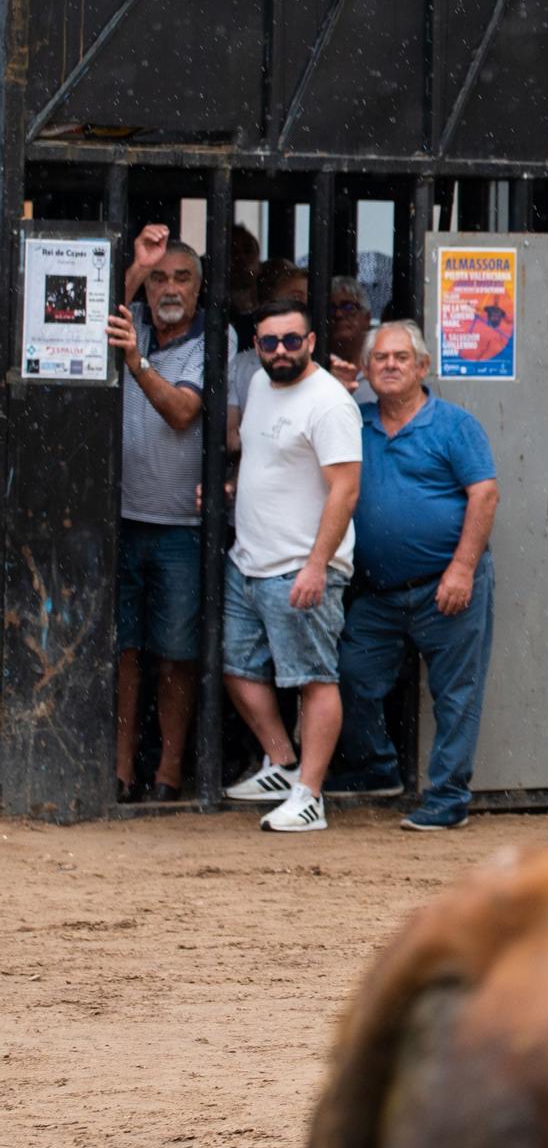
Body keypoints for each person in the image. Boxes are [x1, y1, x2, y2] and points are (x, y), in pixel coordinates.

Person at [330, 321, 499, 832]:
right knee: (351, 675)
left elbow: (484, 495)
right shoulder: (352, 422)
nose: (390, 365)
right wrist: (330, 395)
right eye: (379, 358)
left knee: (456, 695)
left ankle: (447, 800)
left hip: (446, 584)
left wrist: (462, 570)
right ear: (365, 370)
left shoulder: (454, 425)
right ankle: (377, 768)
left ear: (423, 367)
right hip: (379, 592)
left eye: (401, 357)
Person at [104, 226, 236, 803]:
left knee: (178, 656)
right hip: (118, 520)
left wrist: (136, 363)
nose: (169, 287)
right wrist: (134, 264)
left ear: (201, 287)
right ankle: (119, 771)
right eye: (159, 278)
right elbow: (98, 303)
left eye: (182, 277)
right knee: (123, 653)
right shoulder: (128, 320)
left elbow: (183, 412)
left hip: (183, 526)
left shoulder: (215, 337)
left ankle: (169, 774)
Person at [221, 299, 363, 832]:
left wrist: (317, 565)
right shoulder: (259, 385)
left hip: (302, 567)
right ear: (255, 346)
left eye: (290, 340)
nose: (280, 350)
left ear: (310, 342)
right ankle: (281, 764)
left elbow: (345, 488)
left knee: (314, 681)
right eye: (268, 342)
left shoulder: (328, 402)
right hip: (250, 561)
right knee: (238, 668)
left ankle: (309, 795)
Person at [228, 260, 308, 450]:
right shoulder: (242, 366)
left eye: (309, 298)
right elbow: (231, 439)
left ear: (311, 342)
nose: (304, 305)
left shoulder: (324, 374)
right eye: (296, 298)